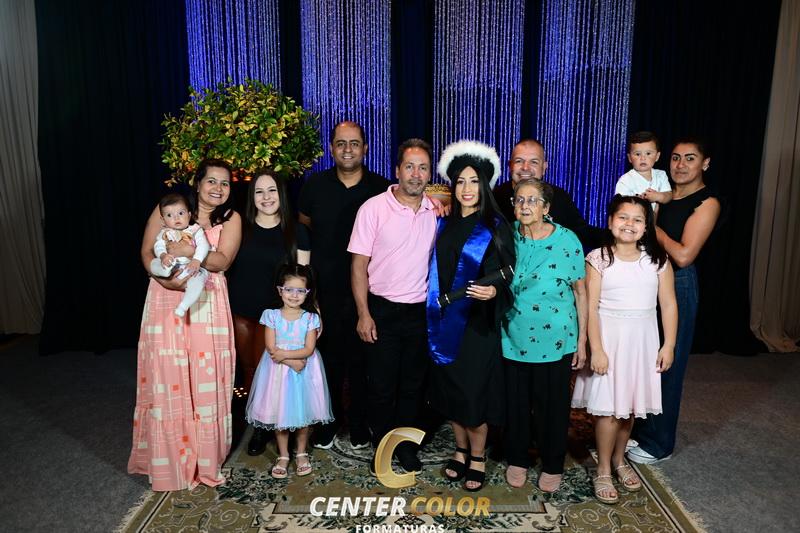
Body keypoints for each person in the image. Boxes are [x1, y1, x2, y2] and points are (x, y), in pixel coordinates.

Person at [128, 159, 242, 491]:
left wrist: (191, 250)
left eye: (225, 183)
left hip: (207, 299)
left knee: (206, 376)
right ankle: (171, 462)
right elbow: (146, 252)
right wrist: (165, 278)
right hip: (165, 296)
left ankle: (205, 460)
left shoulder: (231, 218)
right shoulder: (169, 207)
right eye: (212, 181)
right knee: (168, 374)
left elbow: (223, 260)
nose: (218, 188)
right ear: (197, 182)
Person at [571, 195, 678, 504]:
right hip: (609, 339)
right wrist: (597, 349)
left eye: (637, 219)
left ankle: (619, 459)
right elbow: (591, 308)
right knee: (608, 409)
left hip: (642, 342)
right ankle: (603, 468)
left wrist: (669, 344)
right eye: (623, 217)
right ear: (610, 222)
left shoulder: (657, 261)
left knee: (629, 406)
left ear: (646, 227)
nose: (629, 224)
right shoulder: (598, 259)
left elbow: (668, 305)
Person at [426, 140, 515, 491]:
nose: (466, 188)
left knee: (473, 393)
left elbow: (510, 271)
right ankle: (460, 450)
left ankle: (477, 457)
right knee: (451, 392)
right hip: (444, 319)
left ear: (485, 184)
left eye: (474, 181)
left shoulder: (496, 224)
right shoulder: (444, 223)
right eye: (460, 181)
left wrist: (494, 292)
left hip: (478, 323)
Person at [348, 138, 438, 473]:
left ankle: (406, 447)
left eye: (423, 168)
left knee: (413, 386)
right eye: (410, 166)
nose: (416, 174)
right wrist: (363, 313)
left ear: (430, 174)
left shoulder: (436, 211)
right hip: (381, 310)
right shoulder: (372, 209)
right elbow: (358, 266)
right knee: (381, 386)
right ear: (397, 170)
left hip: (419, 312)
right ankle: (383, 448)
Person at [628, 138, 721, 464]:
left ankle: (659, 443)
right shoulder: (661, 192)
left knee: (667, 363)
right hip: (646, 279)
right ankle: (639, 431)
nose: (681, 165)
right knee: (642, 359)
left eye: (690, 158)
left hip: (678, 284)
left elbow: (683, 255)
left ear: (705, 163)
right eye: (677, 158)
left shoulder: (707, 203)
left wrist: (651, 227)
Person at [298, 120, 386, 450]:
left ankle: (360, 423)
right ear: (331, 149)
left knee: (364, 361)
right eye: (341, 143)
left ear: (366, 148)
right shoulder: (314, 186)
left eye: (354, 143)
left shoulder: (382, 188)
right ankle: (330, 422)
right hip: (326, 290)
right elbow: (305, 228)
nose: (347, 149)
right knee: (329, 361)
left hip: (369, 291)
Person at [501, 178, 587, 493]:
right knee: (516, 404)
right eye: (519, 200)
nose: (525, 206)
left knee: (553, 406)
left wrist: (583, 340)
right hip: (514, 336)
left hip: (557, 339)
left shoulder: (567, 241)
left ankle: (552, 463)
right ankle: (517, 459)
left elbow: (581, 293)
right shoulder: (505, 236)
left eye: (532, 200)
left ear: (546, 207)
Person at [226, 170, 311, 456]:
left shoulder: (297, 231)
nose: (266, 197)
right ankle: (259, 425)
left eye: (272, 190)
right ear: (252, 197)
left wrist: (311, 316)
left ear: (281, 194)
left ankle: (275, 426)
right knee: (250, 371)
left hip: (276, 318)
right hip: (241, 311)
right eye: (259, 191)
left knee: (274, 373)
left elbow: (304, 279)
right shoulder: (240, 227)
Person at [245, 264, 333, 479]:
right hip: (278, 373)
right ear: (280, 290)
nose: (294, 295)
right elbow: (271, 348)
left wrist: (286, 356)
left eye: (300, 290)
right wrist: (292, 362)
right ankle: (283, 455)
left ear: (307, 293)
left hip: (305, 373)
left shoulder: (310, 318)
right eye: (289, 289)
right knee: (280, 413)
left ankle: (301, 453)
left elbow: (309, 349)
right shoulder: (271, 315)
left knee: (303, 414)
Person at [493, 139, 604, 249]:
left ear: (544, 167)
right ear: (510, 165)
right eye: (519, 161)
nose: (525, 167)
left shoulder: (559, 197)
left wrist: (612, 235)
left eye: (534, 162)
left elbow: (582, 233)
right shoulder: (494, 197)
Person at [149, 193, 210, 317]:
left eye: (181, 213)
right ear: (163, 220)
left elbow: (204, 245)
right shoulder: (165, 233)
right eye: (169, 215)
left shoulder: (195, 231)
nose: (176, 218)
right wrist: (163, 256)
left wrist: (197, 260)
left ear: (189, 215)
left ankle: (183, 306)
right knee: (154, 264)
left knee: (198, 281)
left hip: (189, 267)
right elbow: (158, 246)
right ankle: (164, 271)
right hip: (169, 263)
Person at [615, 131, 672, 215]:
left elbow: (669, 195)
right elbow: (619, 204)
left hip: (655, 218)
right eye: (637, 154)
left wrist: (658, 196)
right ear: (629, 158)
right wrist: (637, 201)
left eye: (648, 153)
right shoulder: (625, 180)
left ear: (657, 156)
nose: (643, 158)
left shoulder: (661, 175)